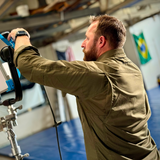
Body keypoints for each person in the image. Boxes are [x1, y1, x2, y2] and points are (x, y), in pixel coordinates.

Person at [8, 15, 160, 160]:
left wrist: (21, 36)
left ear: (101, 41)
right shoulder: (132, 69)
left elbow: (30, 65)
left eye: (87, 38)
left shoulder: (96, 74)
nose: (82, 44)